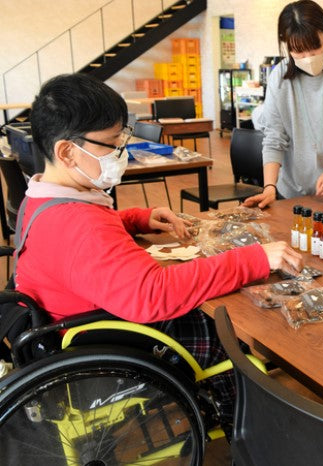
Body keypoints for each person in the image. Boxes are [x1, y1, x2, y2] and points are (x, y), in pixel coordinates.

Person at [16, 73, 303, 435]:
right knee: (223, 328)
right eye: (111, 145)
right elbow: (154, 294)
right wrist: (255, 259)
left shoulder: (42, 198)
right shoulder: (79, 225)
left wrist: (137, 218)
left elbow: (86, 237)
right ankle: (251, 431)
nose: (122, 154)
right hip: (107, 341)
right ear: (67, 151)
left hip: (67, 326)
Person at [243, 0, 323, 208]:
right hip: (291, 188)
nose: (308, 57)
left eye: (315, 48)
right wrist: (269, 186)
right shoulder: (279, 79)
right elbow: (274, 137)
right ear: (286, 45)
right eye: (299, 51)